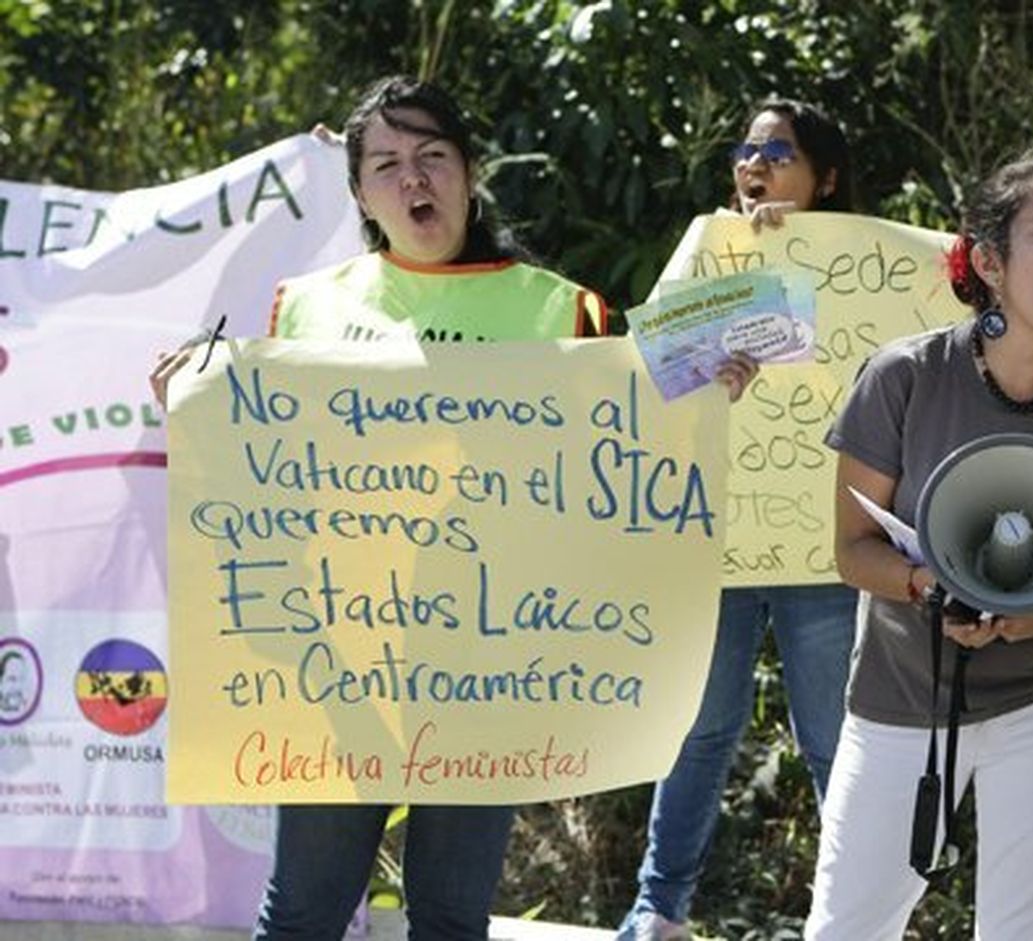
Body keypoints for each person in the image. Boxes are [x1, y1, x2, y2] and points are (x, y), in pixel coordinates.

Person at [151, 75, 754, 940]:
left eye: (433, 156)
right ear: (360, 192)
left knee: (448, 919)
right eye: (388, 164)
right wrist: (192, 390)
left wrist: (707, 382)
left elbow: (623, 442)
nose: (414, 180)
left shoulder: (557, 306)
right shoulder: (305, 304)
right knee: (302, 915)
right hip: (338, 661)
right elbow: (258, 455)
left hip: (491, 666)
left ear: (471, 171)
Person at [804, 151, 1033, 940]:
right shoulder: (903, 377)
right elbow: (853, 549)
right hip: (904, 696)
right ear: (989, 262)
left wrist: (1031, 617)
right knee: (846, 926)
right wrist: (931, 585)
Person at [616, 97, 858, 941]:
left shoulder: (863, 263)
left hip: (819, 544)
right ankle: (659, 908)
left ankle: (855, 917)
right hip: (714, 536)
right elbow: (647, 362)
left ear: (824, 179)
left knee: (836, 743)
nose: (755, 165)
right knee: (699, 732)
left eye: (780, 151)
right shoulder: (706, 243)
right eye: (746, 150)